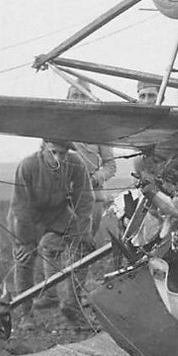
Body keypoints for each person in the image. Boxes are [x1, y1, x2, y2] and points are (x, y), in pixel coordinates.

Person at [10, 138, 93, 326]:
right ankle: (26, 314)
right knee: (24, 258)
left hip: (59, 213)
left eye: (62, 154)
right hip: (30, 216)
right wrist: (26, 241)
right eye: (53, 152)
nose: (58, 158)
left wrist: (83, 231)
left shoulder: (75, 163)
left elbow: (85, 198)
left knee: (84, 247)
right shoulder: (28, 166)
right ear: (43, 149)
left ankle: (73, 305)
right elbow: (20, 207)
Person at [64, 84, 119, 241]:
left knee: (84, 244)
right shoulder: (57, 127)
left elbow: (110, 166)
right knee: (56, 246)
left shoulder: (100, 130)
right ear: (67, 99)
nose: (79, 100)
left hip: (93, 195)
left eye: (84, 96)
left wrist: (94, 179)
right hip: (62, 196)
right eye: (75, 95)